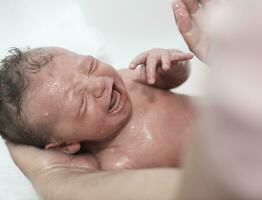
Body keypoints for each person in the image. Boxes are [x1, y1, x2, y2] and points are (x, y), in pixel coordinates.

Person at [7, 0, 213, 199]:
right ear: (66, 145)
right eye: (82, 103)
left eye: (90, 66)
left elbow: (176, 78)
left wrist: (170, 66)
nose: (98, 84)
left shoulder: (125, 79)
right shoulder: (120, 165)